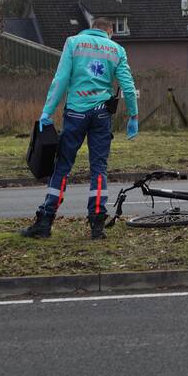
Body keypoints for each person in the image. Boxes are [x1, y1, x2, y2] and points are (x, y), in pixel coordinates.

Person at [21, 17, 138, 241]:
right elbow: (128, 86)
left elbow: (61, 79)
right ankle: (97, 225)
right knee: (98, 168)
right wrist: (134, 115)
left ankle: (45, 221)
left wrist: (47, 111)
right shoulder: (117, 50)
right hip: (102, 114)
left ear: (92, 27)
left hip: (75, 113)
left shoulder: (73, 43)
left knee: (62, 166)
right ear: (109, 31)